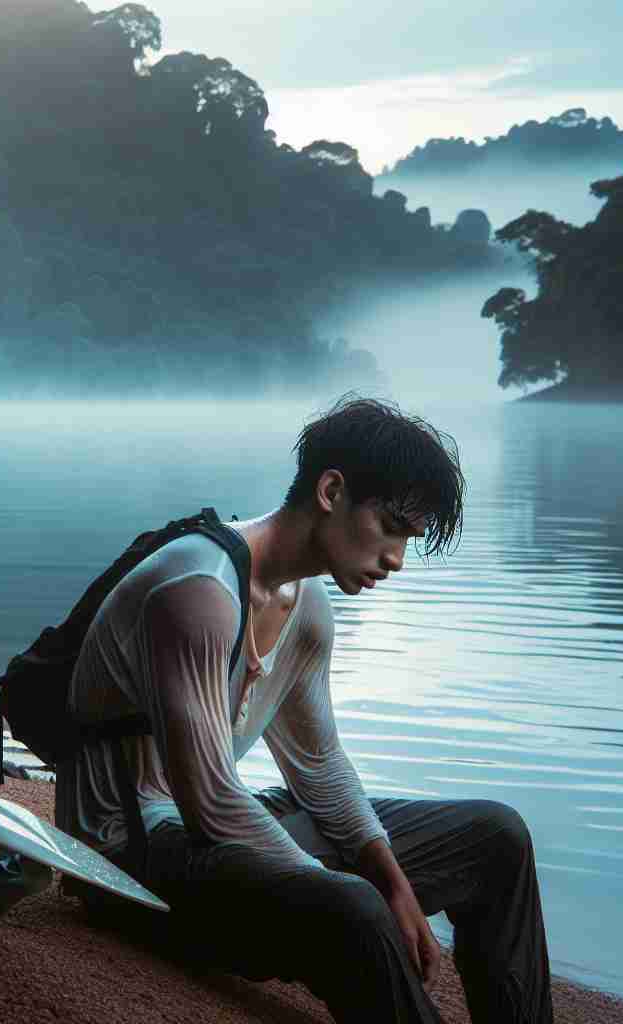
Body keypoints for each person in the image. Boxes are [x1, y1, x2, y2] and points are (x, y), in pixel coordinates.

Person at [56, 396, 552, 1023]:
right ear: (331, 490)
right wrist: (351, 887)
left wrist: (394, 880)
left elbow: (319, 768)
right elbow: (209, 800)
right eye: (392, 528)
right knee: (353, 906)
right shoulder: (198, 590)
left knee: (497, 837)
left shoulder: (307, 607)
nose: (397, 558)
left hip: (211, 841)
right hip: (134, 864)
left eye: (409, 539)